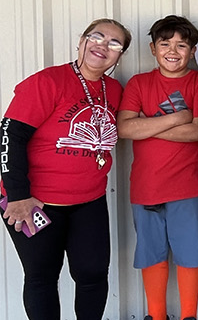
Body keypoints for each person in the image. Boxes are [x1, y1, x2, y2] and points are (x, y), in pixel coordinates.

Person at [3, 18, 130, 320]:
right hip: (35, 202)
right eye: (96, 37)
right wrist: (18, 196)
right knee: (42, 277)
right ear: (81, 40)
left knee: (93, 274)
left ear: (120, 55)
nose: (103, 46)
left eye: (114, 43)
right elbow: (10, 135)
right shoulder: (48, 82)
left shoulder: (113, 89)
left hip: (89, 200)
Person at [118, 15, 198, 320]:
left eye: (182, 45)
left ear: (193, 51)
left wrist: (147, 124)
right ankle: (157, 316)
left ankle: (188, 316)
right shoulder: (139, 83)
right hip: (147, 186)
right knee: (151, 254)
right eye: (165, 43)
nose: (173, 50)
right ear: (152, 49)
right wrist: (176, 118)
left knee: (190, 254)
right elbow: (125, 129)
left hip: (189, 185)